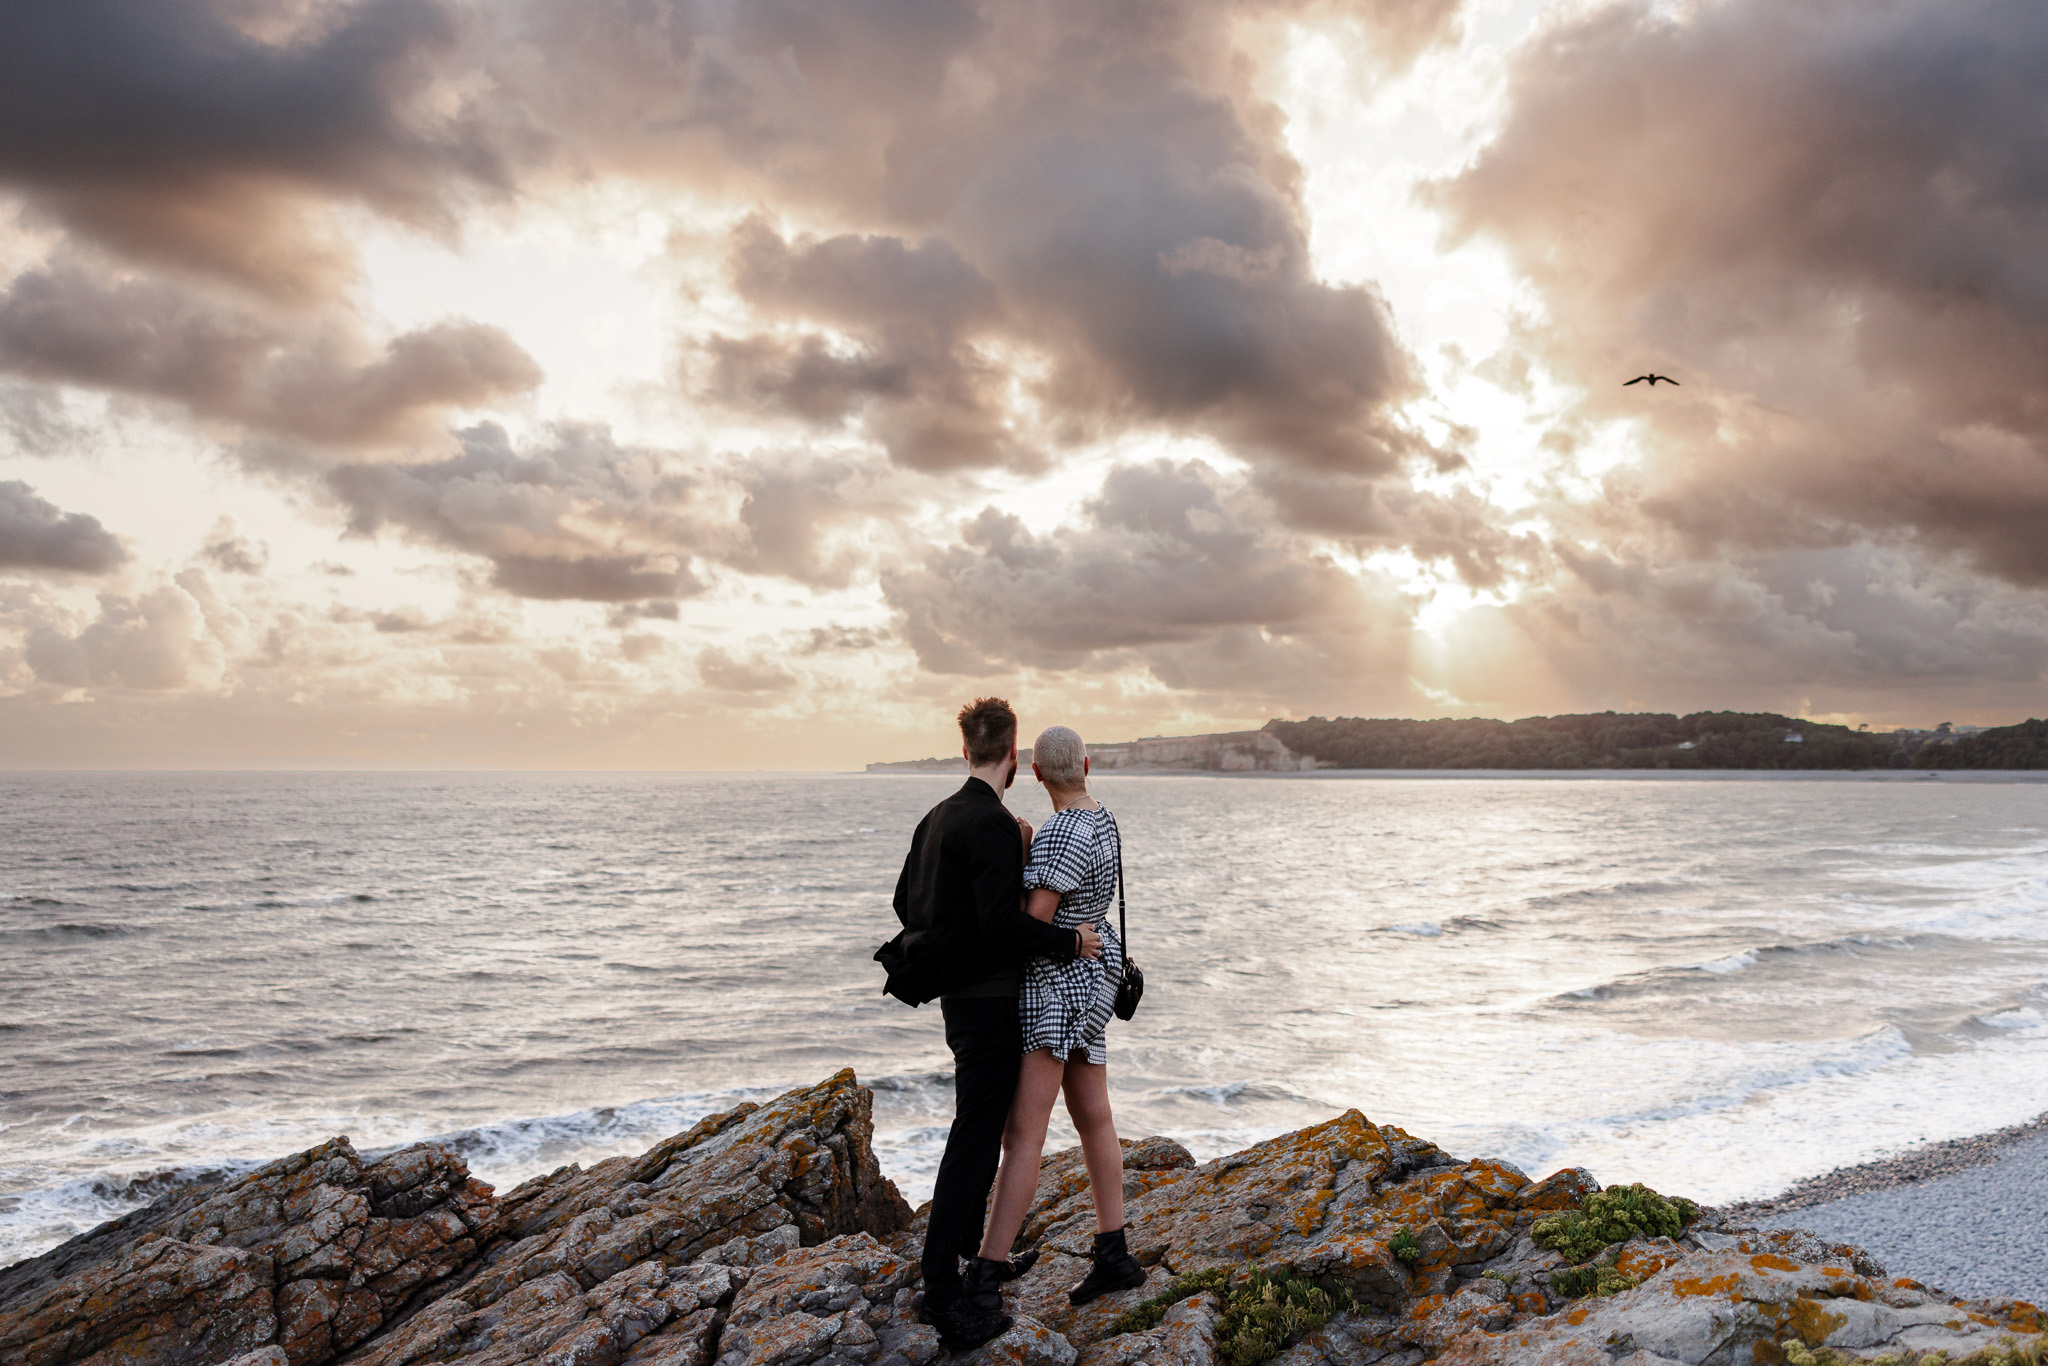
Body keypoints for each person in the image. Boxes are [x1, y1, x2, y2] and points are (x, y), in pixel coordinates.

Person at [874, 699, 1104, 1350]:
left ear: (967, 751)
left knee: (981, 1134)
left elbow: (905, 902)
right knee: (975, 1142)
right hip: (991, 1005)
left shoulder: (937, 818)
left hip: (958, 1002)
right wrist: (1070, 945)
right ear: (1011, 756)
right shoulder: (994, 824)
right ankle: (944, 1293)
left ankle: (981, 1257)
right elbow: (1004, 924)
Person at [975, 725, 1146, 1307]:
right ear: (1088, 766)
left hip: (1055, 988)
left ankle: (986, 1271)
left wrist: (1024, 851)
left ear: (1040, 774)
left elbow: (1034, 922)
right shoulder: (1104, 819)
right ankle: (1114, 1252)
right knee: (1094, 1116)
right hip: (1093, 983)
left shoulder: (1060, 832)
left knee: (1023, 1134)